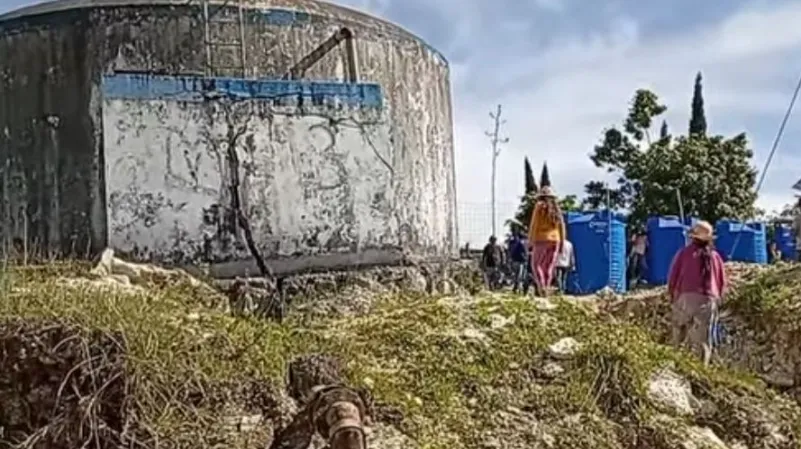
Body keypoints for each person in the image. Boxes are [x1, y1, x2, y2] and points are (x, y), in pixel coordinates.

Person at [667, 221, 728, 365]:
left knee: (679, 334)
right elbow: (722, 283)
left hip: (685, 298)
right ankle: (701, 369)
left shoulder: (684, 253)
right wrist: (719, 299)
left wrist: (672, 296)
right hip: (708, 300)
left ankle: (677, 365)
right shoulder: (715, 257)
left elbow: (673, 277)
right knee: (703, 340)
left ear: (693, 237)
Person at [527, 186, 565, 297]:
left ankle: (542, 287)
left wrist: (530, 240)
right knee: (548, 267)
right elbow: (562, 226)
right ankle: (546, 288)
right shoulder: (557, 209)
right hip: (555, 240)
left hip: (541, 239)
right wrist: (562, 242)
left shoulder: (539, 207)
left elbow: (534, 224)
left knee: (536, 265)